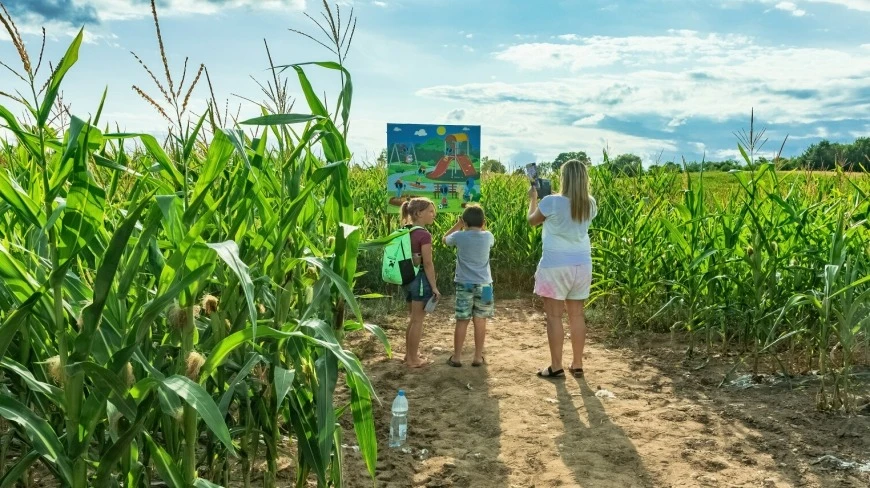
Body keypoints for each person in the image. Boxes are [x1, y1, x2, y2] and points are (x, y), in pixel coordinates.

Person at [527, 159, 597, 379]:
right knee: (577, 315)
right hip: (582, 265)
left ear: (563, 177)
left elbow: (532, 221)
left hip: (555, 265)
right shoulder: (590, 203)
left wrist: (533, 200)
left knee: (554, 317)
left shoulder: (550, 202)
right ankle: (577, 364)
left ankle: (556, 366)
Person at [442, 205, 494, 367]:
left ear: (464, 222)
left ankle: (457, 357)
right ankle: (478, 357)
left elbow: (445, 239)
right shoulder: (488, 236)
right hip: (486, 285)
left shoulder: (459, 236)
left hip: (464, 284)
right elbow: (488, 240)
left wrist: (458, 226)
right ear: (483, 222)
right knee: (481, 320)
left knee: (462, 320)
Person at [400, 197, 441, 368]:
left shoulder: (405, 230)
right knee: (418, 320)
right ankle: (413, 360)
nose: (433, 214)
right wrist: (434, 287)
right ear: (418, 213)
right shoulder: (424, 234)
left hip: (407, 278)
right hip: (420, 280)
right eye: (430, 211)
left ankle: (409, 354)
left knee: (413, 319)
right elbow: (428, 263)